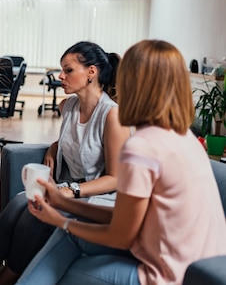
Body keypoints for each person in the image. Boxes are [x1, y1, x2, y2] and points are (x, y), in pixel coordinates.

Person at [19, 39, 226, 285]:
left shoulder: (142, 146)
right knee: (72, 235)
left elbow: (121, 236)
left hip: (172, 276)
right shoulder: (184, 138)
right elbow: (124, 219)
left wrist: (60, 220)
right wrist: (63, 201)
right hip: (201, 266)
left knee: (70, 264)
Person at [0, 41, 130, 285]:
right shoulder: (68, 106)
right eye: (62, 69)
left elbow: (115, 178)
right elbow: (76, 137)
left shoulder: (112, 115)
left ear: (91, 72)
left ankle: (2, 281)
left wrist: (70, 190)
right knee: (17, 203)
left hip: (97, 197)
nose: (61, 76)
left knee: (35, 215)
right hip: (70, 189)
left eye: (68, 70)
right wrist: (55, 147)